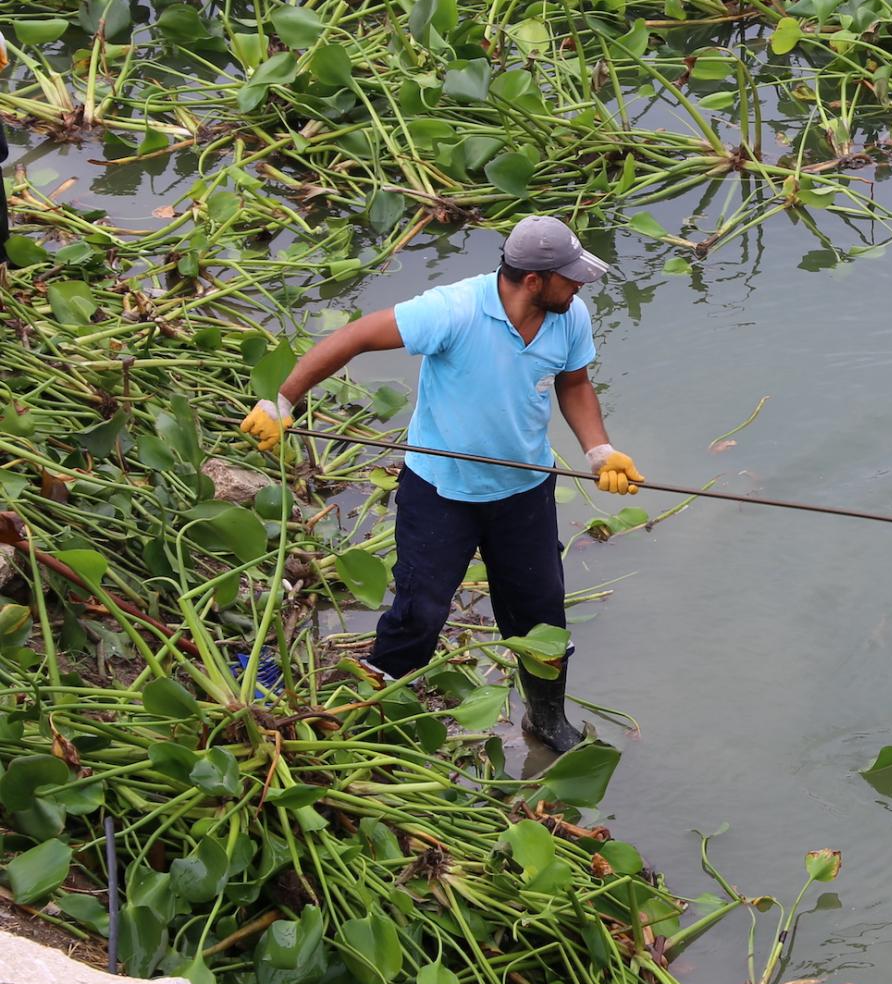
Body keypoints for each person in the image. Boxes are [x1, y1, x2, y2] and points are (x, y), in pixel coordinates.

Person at [239, 216, 644, 751]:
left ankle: (545, 719)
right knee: (420, 614)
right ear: (532, 280)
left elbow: (574, 383)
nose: (580, 285)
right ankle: (375, 718)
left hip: (523, 491)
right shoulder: (452, 310)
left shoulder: (569, 315)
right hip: (440, 494)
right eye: (569, 277)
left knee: (541, 617)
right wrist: (282, 402)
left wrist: (599, 451)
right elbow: (354, 335)